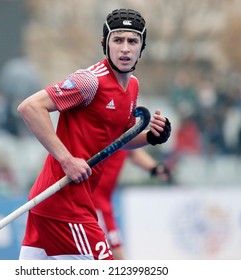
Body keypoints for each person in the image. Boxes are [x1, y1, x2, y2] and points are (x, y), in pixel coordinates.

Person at [17, 8, 171, 260]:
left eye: (132, 41)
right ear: (105, 44)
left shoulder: (132, 86)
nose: (125, 48)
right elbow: (30, 107)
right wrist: (67, 160)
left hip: (61, 203)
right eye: (117, 40)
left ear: (142, 47)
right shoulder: (89, 82)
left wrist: (151, 137)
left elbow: (119, 140)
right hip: (65, 204)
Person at [93, 149, 170, 260]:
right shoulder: (109, 132)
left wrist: (154, 167)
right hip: (95, 203)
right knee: (115, 255)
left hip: (104, 201)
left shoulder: (122, 134)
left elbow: (133, 150)